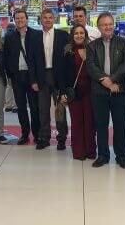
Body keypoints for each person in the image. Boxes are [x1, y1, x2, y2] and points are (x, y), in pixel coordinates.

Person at [86, 12, 125, 169]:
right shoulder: (92, 46)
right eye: (104, 24)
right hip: (99, 92)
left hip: (119, 90)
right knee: (101, 125)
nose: (107, 27)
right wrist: (105, 81)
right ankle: (103, 156)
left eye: (110, 24)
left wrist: (112, 80)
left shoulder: (124, 43)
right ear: (99, 27)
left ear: (114, 25)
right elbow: (91, 68)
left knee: (120, 125)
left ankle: (121, 156)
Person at [34, 9, 70, 150]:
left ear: (54, 19)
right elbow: (32, 61)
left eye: (50, 17)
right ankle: (44, 137)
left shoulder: (63, 35)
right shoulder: (36, 37)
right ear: (41, 19)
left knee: (60, 109)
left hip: (59, 77)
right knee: (43, 109)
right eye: (45, 17)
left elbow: (68, 60)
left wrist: (66, 81)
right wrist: (33, 80)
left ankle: (61, 139)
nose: (48, 20)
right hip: (42, 77)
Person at [3, 9, 40, 145]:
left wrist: (37, 78)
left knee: (34, 107)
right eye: (17, 18)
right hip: (17, 77)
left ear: (27, 19)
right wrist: (10, 74)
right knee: (21, 107)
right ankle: (25, 134)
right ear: (14, 20)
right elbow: (6, 57)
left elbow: (39, 58)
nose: (20, 20)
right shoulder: (10, 37)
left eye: (22, 18)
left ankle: (37, 134)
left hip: (32, 78)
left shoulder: (36, 35)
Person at [61, 24, 96, 160]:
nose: (79, 35)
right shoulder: (67, 51)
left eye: (82, 33)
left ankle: (90, 151)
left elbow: (96, 69)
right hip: (73, 93)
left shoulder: (92, 49)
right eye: (76, 33)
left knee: (89, 122)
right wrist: (63, 92)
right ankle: (79, 151)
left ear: (85, 35)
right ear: (72, 35)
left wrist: (88, 59)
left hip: (90, 92)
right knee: (76, 122)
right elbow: (62, 74)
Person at [3, 24, 18, 113]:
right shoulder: (16, 37)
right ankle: (15, 105)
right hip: (16, 67)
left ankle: (8, 105)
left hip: (8, 67)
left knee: (9, 86)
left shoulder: (4, 38)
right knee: (16, 87)